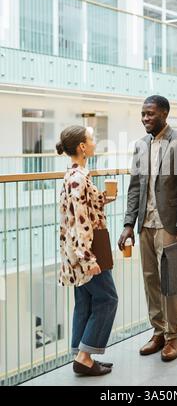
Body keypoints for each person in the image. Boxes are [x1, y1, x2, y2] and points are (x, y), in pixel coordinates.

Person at [118, 96, 177, 362]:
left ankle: (173, 337)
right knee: (150, 280)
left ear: (164, 113)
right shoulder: (140, 146)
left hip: (169, 224)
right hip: (145, 225)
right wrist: (129, 223)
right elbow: (135, 188)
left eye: (150, 114)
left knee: (169, 282)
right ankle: (158, 331)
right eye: (142, 114)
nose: (145, 118)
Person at [56, 125, 118, 376]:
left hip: (77, 250)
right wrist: (88, 258)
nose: (94, 143)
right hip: (88, 249)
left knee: (85, 301)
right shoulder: (79, 178)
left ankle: (81, 355)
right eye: (91, 140)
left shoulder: (74, 174)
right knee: (107, 299)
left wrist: (102, 198)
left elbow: (81, 209)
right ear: (82, 147)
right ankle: (84, 357)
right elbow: (78, 222)